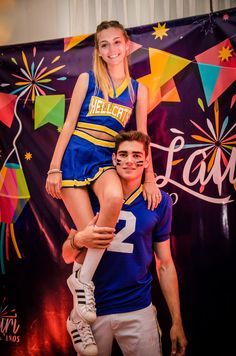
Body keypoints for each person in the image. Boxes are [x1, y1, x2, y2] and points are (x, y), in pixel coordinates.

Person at [45, 19, 161, 351]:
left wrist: (149, 178)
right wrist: (54, 168)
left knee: (113, 197)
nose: (110, 49)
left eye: (116, 42)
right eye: (103, 44)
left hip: (103, 159)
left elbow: (142, 139)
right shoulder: (87, 79)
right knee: (90, 235)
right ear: (98, 50)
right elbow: (68, 125)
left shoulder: (139, 90)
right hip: (75, 155)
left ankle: (80, 283)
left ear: (127, 45)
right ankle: (78, 318)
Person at [63, 131, 187, 356]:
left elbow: (165, 264)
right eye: (123, 154)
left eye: (136, 155)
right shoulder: (93, 196)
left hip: (137, 308)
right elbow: (67, 254)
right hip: (93, 310)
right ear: (113, 159)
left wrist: (177, 321)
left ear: (147, 160)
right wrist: (79, 239)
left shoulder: (159, 202)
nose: (129, 160)